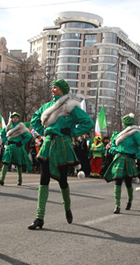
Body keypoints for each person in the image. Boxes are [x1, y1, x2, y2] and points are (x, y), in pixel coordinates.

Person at [28, 79, 94, 229]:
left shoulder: (70, 106)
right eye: (52, 87)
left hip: (63, 145)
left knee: (63, 181)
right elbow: (35, 119)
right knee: (43, 180)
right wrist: (43, 130)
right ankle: (39, 217)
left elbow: (88, 123)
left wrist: (72, 132)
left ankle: (67, 208)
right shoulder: (46, 106)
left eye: (55, 87)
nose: (52, 89)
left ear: (63, 90)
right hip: (48, 144)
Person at [104, 113, 140, 213]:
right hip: (119, 158)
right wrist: (114, 151)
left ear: (124, 123)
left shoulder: (135, 134)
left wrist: (137, 156)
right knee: (119, 181)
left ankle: (127, 202)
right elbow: (112, 146)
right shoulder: (118, 134)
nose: (123, 125)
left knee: (126, 182)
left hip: (128, 159)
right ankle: (118, 205)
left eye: (123, 123)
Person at [0, 113, 32, 186]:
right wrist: (6, 141)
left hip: (17, 147)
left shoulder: (21, 126)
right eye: (13, 117)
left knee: (19, 164)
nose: (15, 119)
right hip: (9, 147)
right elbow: (3, 134)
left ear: (18, 118)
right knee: (5, 162)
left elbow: (28, 136)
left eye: (16, 117)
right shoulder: (9, 126)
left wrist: (21, 142)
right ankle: (2, 180)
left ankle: (20, 180)